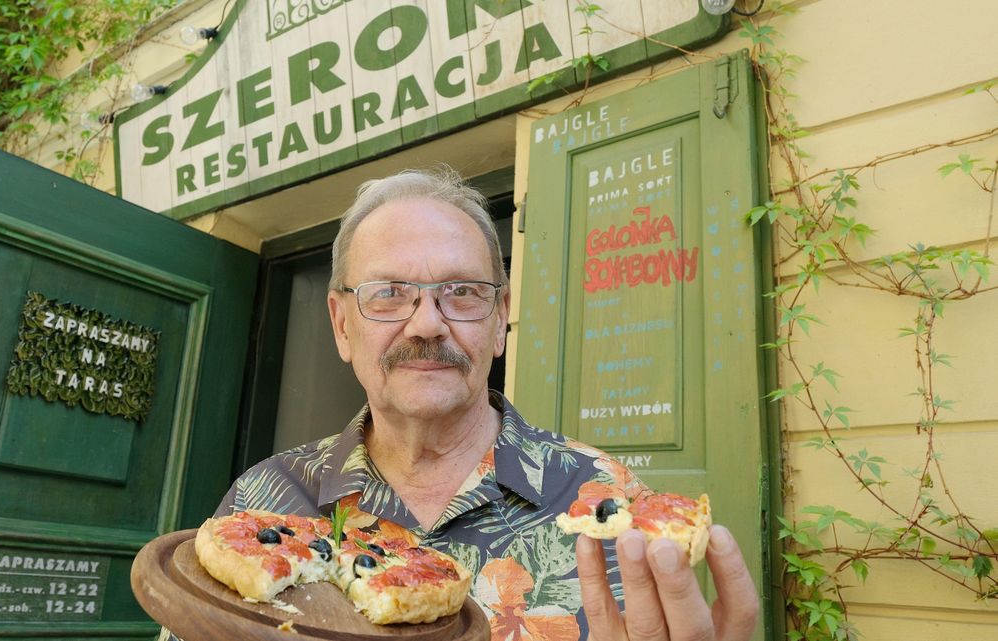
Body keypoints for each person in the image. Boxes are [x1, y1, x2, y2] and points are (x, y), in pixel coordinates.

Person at [210, 167, 759, 640]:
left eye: (463, 292)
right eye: (388, 293)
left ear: (500, 321)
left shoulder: (609, 506)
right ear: (341, 325)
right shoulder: (259, 503)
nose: (426, 323)